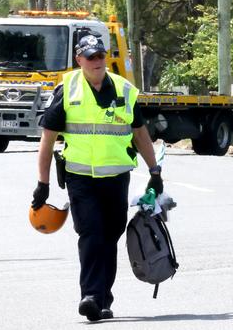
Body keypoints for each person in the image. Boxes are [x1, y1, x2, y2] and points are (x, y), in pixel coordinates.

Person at [32, 34, 163, 322]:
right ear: (79, 59)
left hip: (117, 178)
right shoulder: (67, 89)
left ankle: (103, 298)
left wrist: (155, 172)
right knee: (91, 233)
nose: (97, 61)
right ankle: (90, 295)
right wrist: (43, 183)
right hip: (81, 178)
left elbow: (140, 133)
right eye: (90, 57)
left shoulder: (125, 91)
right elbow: (48, 139)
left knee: (110, 236)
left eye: (100, 56)